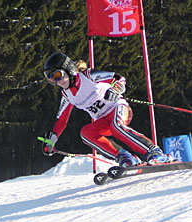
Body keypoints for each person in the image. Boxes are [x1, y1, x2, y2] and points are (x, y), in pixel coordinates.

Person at [41, 51, 171, 167]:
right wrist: (51, 141)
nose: (57, 81)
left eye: (58, 75)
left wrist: (116, 89)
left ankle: (154, 152)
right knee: (86, 133)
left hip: (118, 108)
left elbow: (118, 78)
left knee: (117, 127)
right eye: (52, 79)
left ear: (68, 69)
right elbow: (61, 121)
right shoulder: (66, 95)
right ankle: (125, 157)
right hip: (103, 121)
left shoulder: (88, 76)